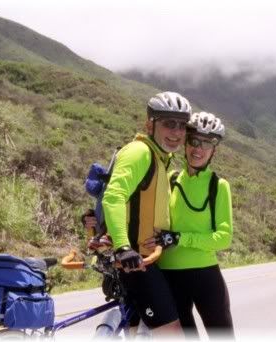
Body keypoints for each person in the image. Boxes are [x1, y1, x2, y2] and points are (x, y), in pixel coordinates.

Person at [100, 91, 192, 338]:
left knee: (135, 332)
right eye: (169, 124)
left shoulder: (160, 157)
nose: (176, 132)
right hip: (137, 263)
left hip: (146, 259)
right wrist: (122, 247)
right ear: (150, 124)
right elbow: (114, 196)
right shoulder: (140, 151)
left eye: (182, 126)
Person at [147, 111, 235, 340]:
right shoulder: (171, 179)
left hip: (205, 276)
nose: (198, 149)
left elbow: (224, 238)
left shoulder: (218, 186)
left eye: (207, 144)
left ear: (214, 150)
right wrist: (97, 219)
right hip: (169, 276)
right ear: (185, 143)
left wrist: (179, 238)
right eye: (194, 141)